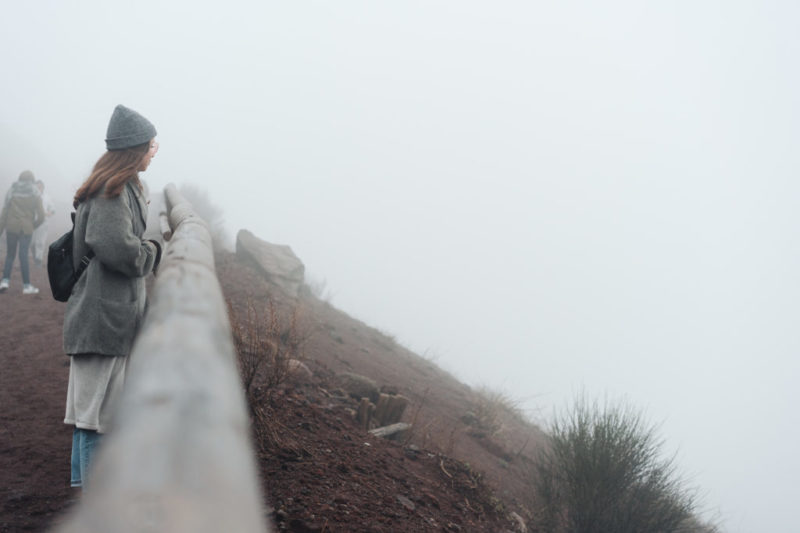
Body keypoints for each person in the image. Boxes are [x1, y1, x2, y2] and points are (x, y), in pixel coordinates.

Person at [63, 104, 162, 491]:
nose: (155, 151)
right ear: (134, 149)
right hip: (99, 319)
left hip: (112, 315)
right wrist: (153, 251)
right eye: (152, 144)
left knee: (94, 415)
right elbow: (118, 249)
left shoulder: (128, 186)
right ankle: (95, 507)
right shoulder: (110, 192)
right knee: (94, 420)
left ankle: (85, 494)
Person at [0, 170, 46, 294]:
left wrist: (1, 229)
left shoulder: (12, 190)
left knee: (10, 254)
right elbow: (41, 216)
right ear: (32, 179)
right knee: (23, 255)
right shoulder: (35, 192)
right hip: (26, 228)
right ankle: (26, 286)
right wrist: (32, 225)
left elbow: (4, 212)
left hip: (11, 227)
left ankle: (4, 281)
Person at [31, 179, 56, 266]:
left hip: (43, 222)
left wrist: (49, 213)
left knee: (40, 241)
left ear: (43, 187)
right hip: (32, 222)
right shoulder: (32, 196)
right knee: (32, 242)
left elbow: (53, 209)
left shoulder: (47, 197)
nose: (38, 188)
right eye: (37, 186)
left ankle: (38, 260)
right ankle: (35, 255)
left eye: (40, 186)